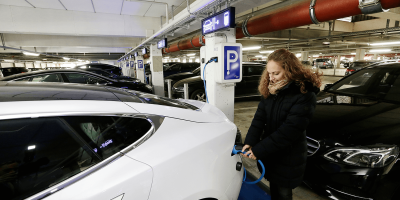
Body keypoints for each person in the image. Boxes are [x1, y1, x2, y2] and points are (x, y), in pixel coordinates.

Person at [242, 49, 322, 200]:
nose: (271, 78)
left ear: (290, 70)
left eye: (276, 73)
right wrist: (250, 141)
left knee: (284, 193)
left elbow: (289, 131)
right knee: (274, 189)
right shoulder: (271, 91)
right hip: (271, 153)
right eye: (269, 73)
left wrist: (259, 149)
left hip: (289, 157)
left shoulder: (304, 94)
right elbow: (259, 119)